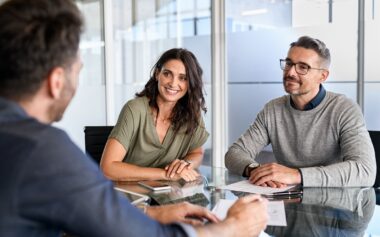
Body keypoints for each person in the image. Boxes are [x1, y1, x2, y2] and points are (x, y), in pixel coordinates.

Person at [0, 0, 268, 237]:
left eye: (183, 78)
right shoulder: (43, 151)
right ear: (56, 81)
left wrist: (154, 213)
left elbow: (90, 216)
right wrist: (232, 228)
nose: (174, 83)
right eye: (78, 69)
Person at [225, 36, 376, 188]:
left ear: (322, 76)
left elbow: (364, 170)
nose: (290, 72)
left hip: (335, 205)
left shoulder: (344, 109)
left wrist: (296, 175)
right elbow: (235, 153)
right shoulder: (272, 109)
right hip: (286, 201)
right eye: (289, 63)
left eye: (303, 67)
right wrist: (256, 171)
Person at [100, 48, 208, 182]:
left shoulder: (192, 113)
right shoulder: (134, 109)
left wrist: (185, 165)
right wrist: (165, 174)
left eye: (183, 78)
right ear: (157, 74)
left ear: (190, 83)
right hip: (128, 194)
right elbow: (107, 168)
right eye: (167, 74)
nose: (173, 83)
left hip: (167, 195)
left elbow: (196, 152)